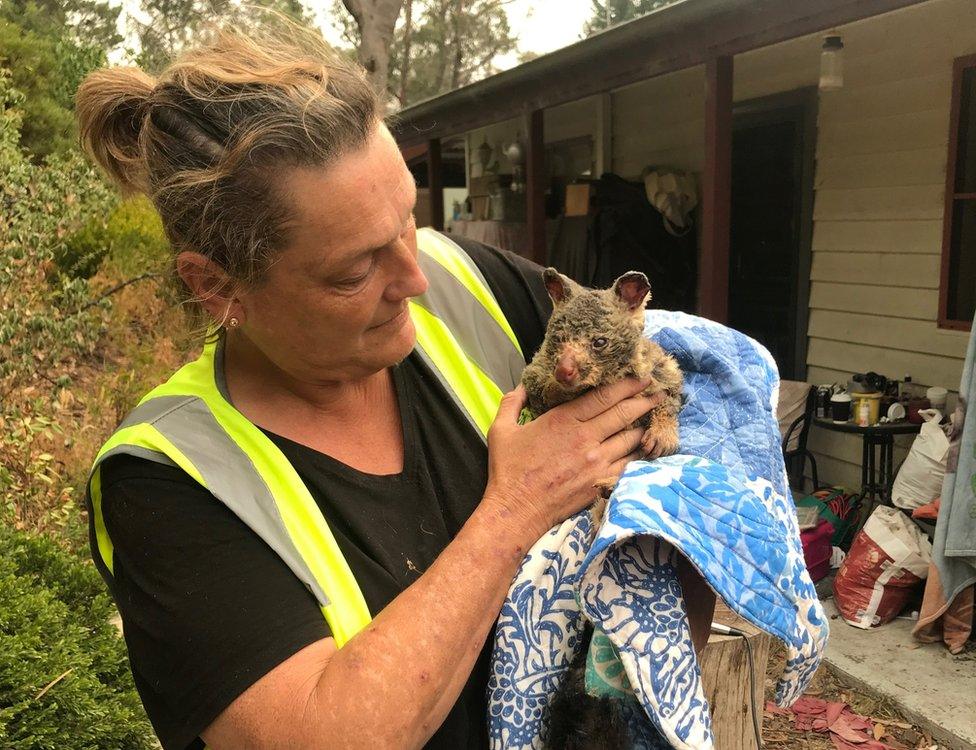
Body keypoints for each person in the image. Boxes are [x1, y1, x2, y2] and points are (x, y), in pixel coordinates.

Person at [77, 21, 711, 750]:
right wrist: (514, 511)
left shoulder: (459, 281)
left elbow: (659, 415)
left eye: (409, 219)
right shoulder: (169, 480)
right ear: (218, 287)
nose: (414, 278)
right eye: (353, 271)